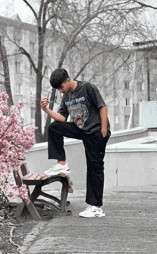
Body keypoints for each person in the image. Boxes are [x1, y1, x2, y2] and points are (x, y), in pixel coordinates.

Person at [40, 68, 111, 218]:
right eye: (58, 89)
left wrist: (103, 130)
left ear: (67, 80)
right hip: (83, 130)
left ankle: (96, 207)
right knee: (54, 128)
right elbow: (62, 118)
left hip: (96, 132)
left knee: (94, 167)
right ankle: (61, 163)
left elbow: (102, 106)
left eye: (61, 87)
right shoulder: (67, 96)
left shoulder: (87, 87)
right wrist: (46, 109)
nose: (60, 91)